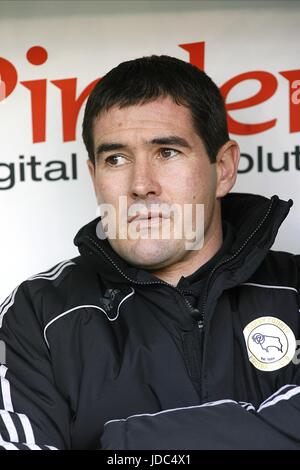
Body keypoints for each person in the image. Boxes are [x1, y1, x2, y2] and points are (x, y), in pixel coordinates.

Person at [0, 55, 299, 451]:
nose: (141, 185)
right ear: (94, 177)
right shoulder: (36, 315)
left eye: (167, 152)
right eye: (116, 159)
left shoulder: (294, 288)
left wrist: (126, 444)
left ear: (223, 168)